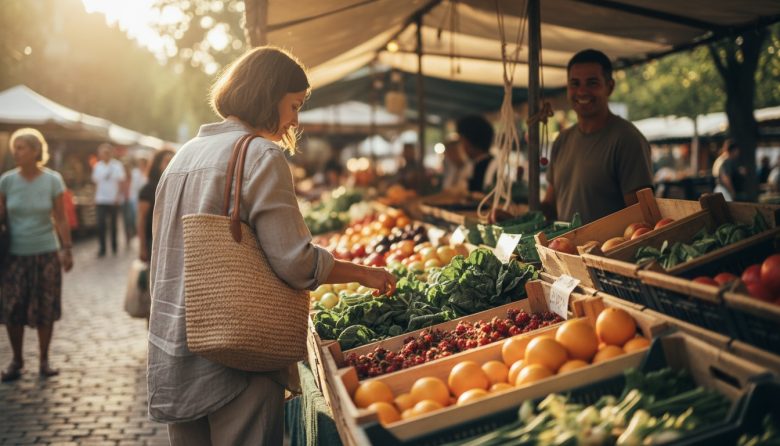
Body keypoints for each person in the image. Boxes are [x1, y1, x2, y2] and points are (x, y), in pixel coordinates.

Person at [147, 46, 396, 445]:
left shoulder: (182, 157)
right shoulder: (260, 154)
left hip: (175, 349)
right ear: (268, 94)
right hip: (237, 357)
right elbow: (295, 263)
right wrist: (364, 274)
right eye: (294, 106)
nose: (295, 120)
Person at [542, 49, 653, 224]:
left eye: (592, 83)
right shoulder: (561, 140)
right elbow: (550, 206)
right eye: (575, 84)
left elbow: (642, 216)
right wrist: (519, 217)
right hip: (564, 242)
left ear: (610, 87)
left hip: (610, 243)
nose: (582, 91)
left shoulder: (627, 139)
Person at [0, 128, 73, 382]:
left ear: (35, 151)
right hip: (14, 255)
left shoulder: (53, 180)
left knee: (46, 305)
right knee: (12, 307)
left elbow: (61, 218)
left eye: (21, 148)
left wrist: (67, 248)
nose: (16, 152)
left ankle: (44, 359)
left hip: (46, 252)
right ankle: (17, 360)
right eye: (15, 148)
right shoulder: (6, 181)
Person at [136, 150, 174, 262]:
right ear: (158, 164)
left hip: (172, 242)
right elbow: (141, 219)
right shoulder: (148, 189)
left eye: (173, 160)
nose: (170, 164)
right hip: (153, 241)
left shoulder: (176, 187)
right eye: (167, 161)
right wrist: (142, 248)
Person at [91, 144, 126, 256]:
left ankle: (114, 247)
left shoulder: (117, 165)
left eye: (107, 153)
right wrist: (95, 197)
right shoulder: (97, 166)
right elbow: (96, 183)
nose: (105, 155)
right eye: (103, 153)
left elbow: (121, 182)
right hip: (101, 199)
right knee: (101, 224)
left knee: (113, 225)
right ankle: (102, 248)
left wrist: (118, 196)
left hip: (113, 200)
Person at [456, 115, 495, 193]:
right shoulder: (471, 165)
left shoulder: (493, 166)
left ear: (468, 142)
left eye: (461, 140)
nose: (460, 146)